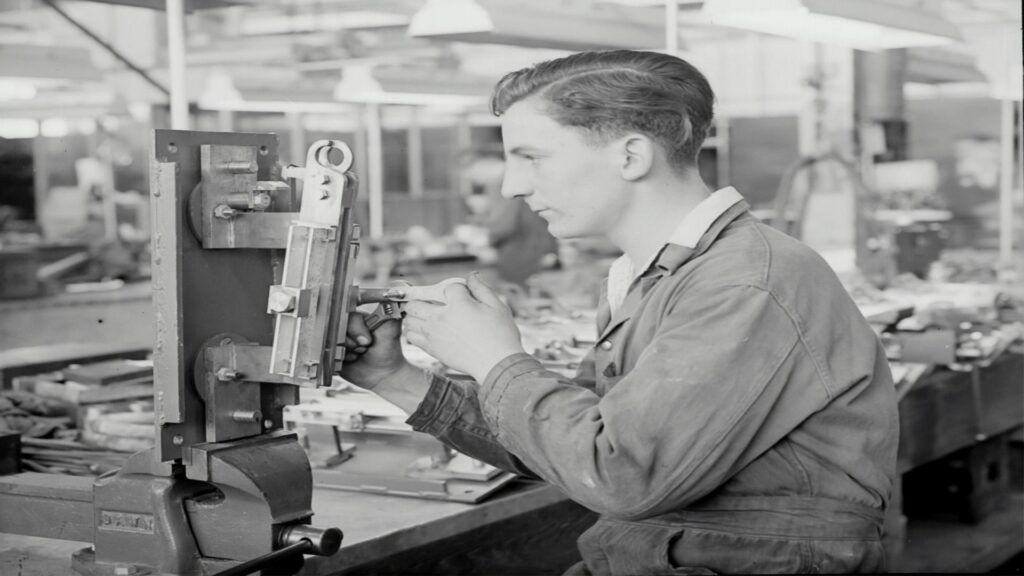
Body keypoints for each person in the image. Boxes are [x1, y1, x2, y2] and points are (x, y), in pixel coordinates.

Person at [341, 50, 898, 575]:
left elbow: (620, 473)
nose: (512, 187)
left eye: (531, 157)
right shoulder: (653, 278)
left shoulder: (745, 281)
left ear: (630, 155)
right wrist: (399, 380)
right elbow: (568, 447)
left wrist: (497, 360)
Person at [459, 145, 560, 287]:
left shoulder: (501, 182)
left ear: (483, 162)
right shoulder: (519, 176)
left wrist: (481, 240)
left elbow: (503, 224)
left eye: (471, 174)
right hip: (534, 250)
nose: (475, 180)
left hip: (521, 255)